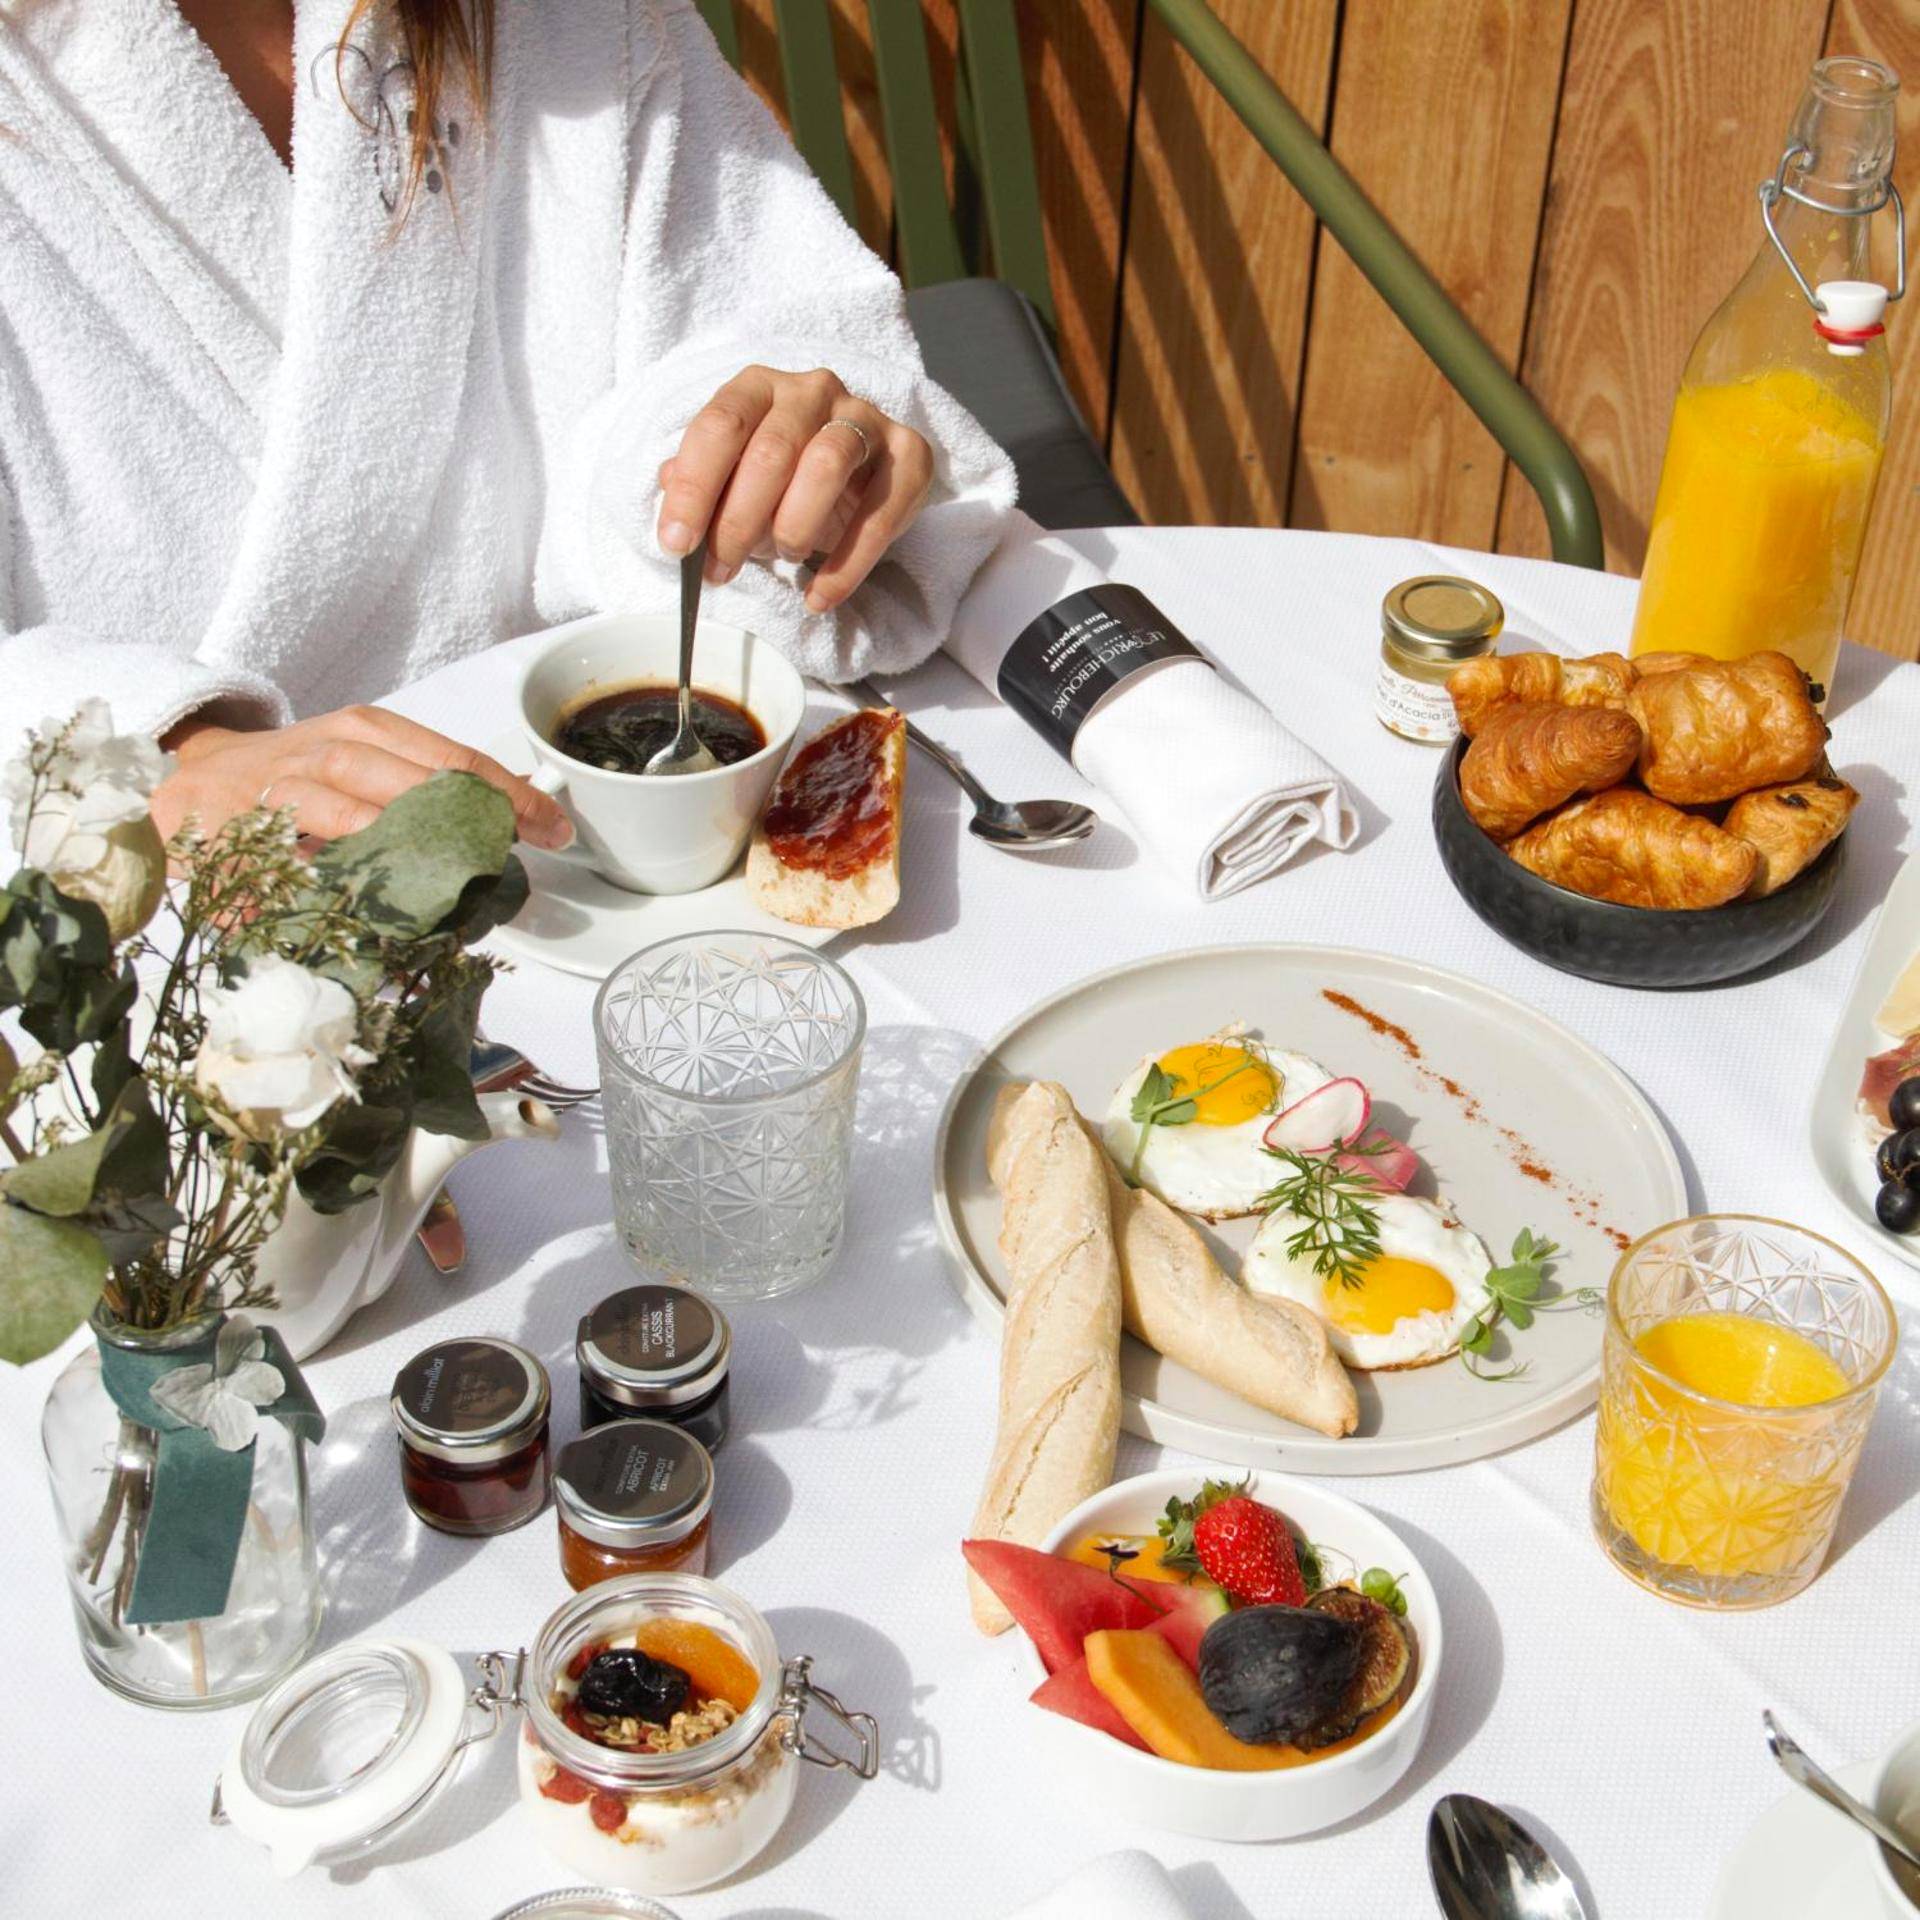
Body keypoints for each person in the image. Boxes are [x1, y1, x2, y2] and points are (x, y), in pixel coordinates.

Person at [0, 0, 1016, 848]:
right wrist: (154, 753)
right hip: (184, 957)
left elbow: (754, 321)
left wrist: (763, 450)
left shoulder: (567, 24)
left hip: (603, 848)